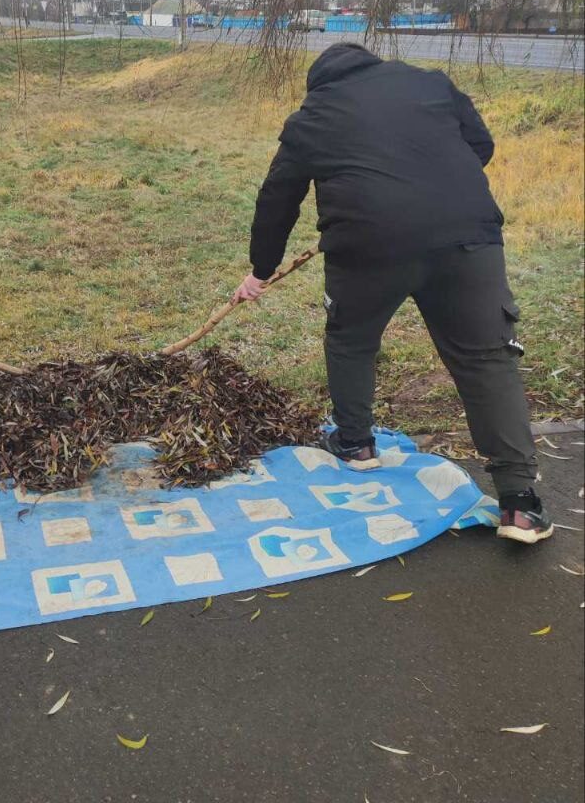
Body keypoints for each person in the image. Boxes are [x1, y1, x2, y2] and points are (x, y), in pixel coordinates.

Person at [232, 42, 552, 544]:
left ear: (320, 84)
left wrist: (261, 270)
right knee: (487, 360)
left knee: (351, 339)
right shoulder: (430, 84)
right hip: (467, 239)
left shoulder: (313, 115)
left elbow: (278, 196)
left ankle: (356, 445)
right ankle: (520, 505)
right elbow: (480, 145)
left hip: (366, 246)